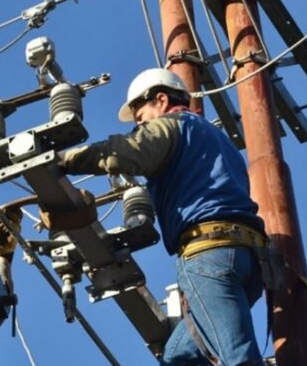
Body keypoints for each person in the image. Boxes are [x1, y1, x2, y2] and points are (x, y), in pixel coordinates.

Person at [62, 68, 267, 365]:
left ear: (160, 99)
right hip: (247, 261)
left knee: (239, 358)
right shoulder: (214, 139)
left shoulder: (173, 126)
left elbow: (128, 152)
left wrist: (63, 161)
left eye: (140, 115)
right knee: (178, 357)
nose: (139, 124)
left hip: (208, 254)